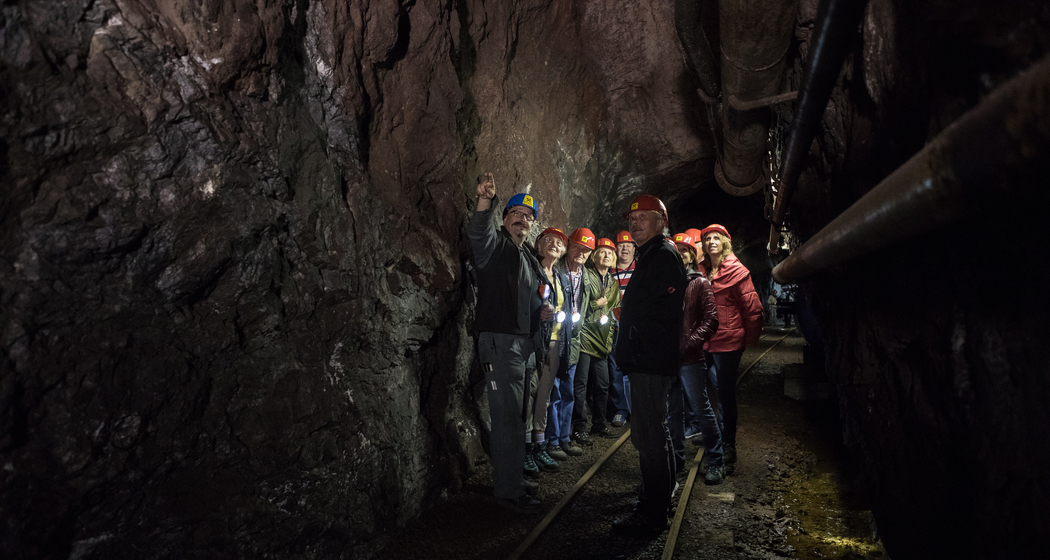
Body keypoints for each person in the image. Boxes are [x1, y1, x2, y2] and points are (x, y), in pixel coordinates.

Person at [467, 173, 552, 513]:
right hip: (501, 344)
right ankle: (508, 492)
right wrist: (485, 202)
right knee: (506, 419)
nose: (522, 219)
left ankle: (513, 478)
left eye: (528, 217)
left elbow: (530, 295)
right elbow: (478, 233)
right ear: (505, 219)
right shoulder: (496, 246)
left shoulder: (527, 255)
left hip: (524, 346)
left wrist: (541, 312)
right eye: (516, 213)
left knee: (517, 417)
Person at [611, 195, 687, 537]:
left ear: (661, 221)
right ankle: (659, 500)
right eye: (632, 218)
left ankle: (652, 513)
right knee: (657, 433)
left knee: (649, 436)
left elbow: (663, 312)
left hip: (650, 362)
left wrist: (636, 342)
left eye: (643, 217)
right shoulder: (652, 255)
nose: (635, 223)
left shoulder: (663, 255)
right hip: (648, 360)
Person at [698, 224, 763, 469]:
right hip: (705, 342)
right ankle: (714, 437)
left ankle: (728, 445)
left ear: (725, 242)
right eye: (707, 238)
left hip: (728, 342)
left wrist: (747, 339)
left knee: (725, 394)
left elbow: (752, 309)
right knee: (706, 393)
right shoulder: (702, 271)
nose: (711, 241)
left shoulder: (738, 272)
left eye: (716, 238)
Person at [669, 233, 724, 485]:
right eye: (676, 250)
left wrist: (690, 343)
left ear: (692, 255)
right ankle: (677, 458)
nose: (680, 254)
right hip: (668, 358)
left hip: (691, 358)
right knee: (674, 412)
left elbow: (711, 320)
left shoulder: (699, 283)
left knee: (702, 409)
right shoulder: (666, 282)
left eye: (684, 250)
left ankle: (715, 461)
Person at [545, 228, 591, 459]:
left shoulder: (587, 276)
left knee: (568, 393)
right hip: (553, 341)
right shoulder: (554, 271)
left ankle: (564, 438)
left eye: (586, 250)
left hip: (572, 342)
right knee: (552, 394)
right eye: (577, 247)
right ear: (568, 247)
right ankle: (552, 440)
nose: (581, 252)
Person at [527, 227, 570, 474]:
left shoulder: (561, 277)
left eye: (559, 242)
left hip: (555, 343)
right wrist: (537, 314)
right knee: (529, 396)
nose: (555, 244)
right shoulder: (533, 271)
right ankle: (526, 449)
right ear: (539, 246)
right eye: (549, 240)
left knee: (544, 397)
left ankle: (539, 447)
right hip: (534, 342)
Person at [573, 237, 621, 441]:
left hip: (602, 341)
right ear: (594, 256)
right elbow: (581, 303)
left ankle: (599, 424)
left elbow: (613, 314)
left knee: (603, 385)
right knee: (581, 385)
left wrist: (609, 340)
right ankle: (579, 427)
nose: (607, 255)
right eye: (602, 251)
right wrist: (595, 304)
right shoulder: (586, 275)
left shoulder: (613, 283)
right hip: (585, 336)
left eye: (610, 252)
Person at [607, 231, 635, 428]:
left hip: (634, 329)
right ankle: (621, 409)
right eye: (621, 245)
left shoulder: (641, 270)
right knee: (615, 369)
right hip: (613, 329)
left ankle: (637, 409)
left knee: (635, 369)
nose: (624, 248)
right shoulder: (608, 272)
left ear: (634, 248)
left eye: (628, 245)